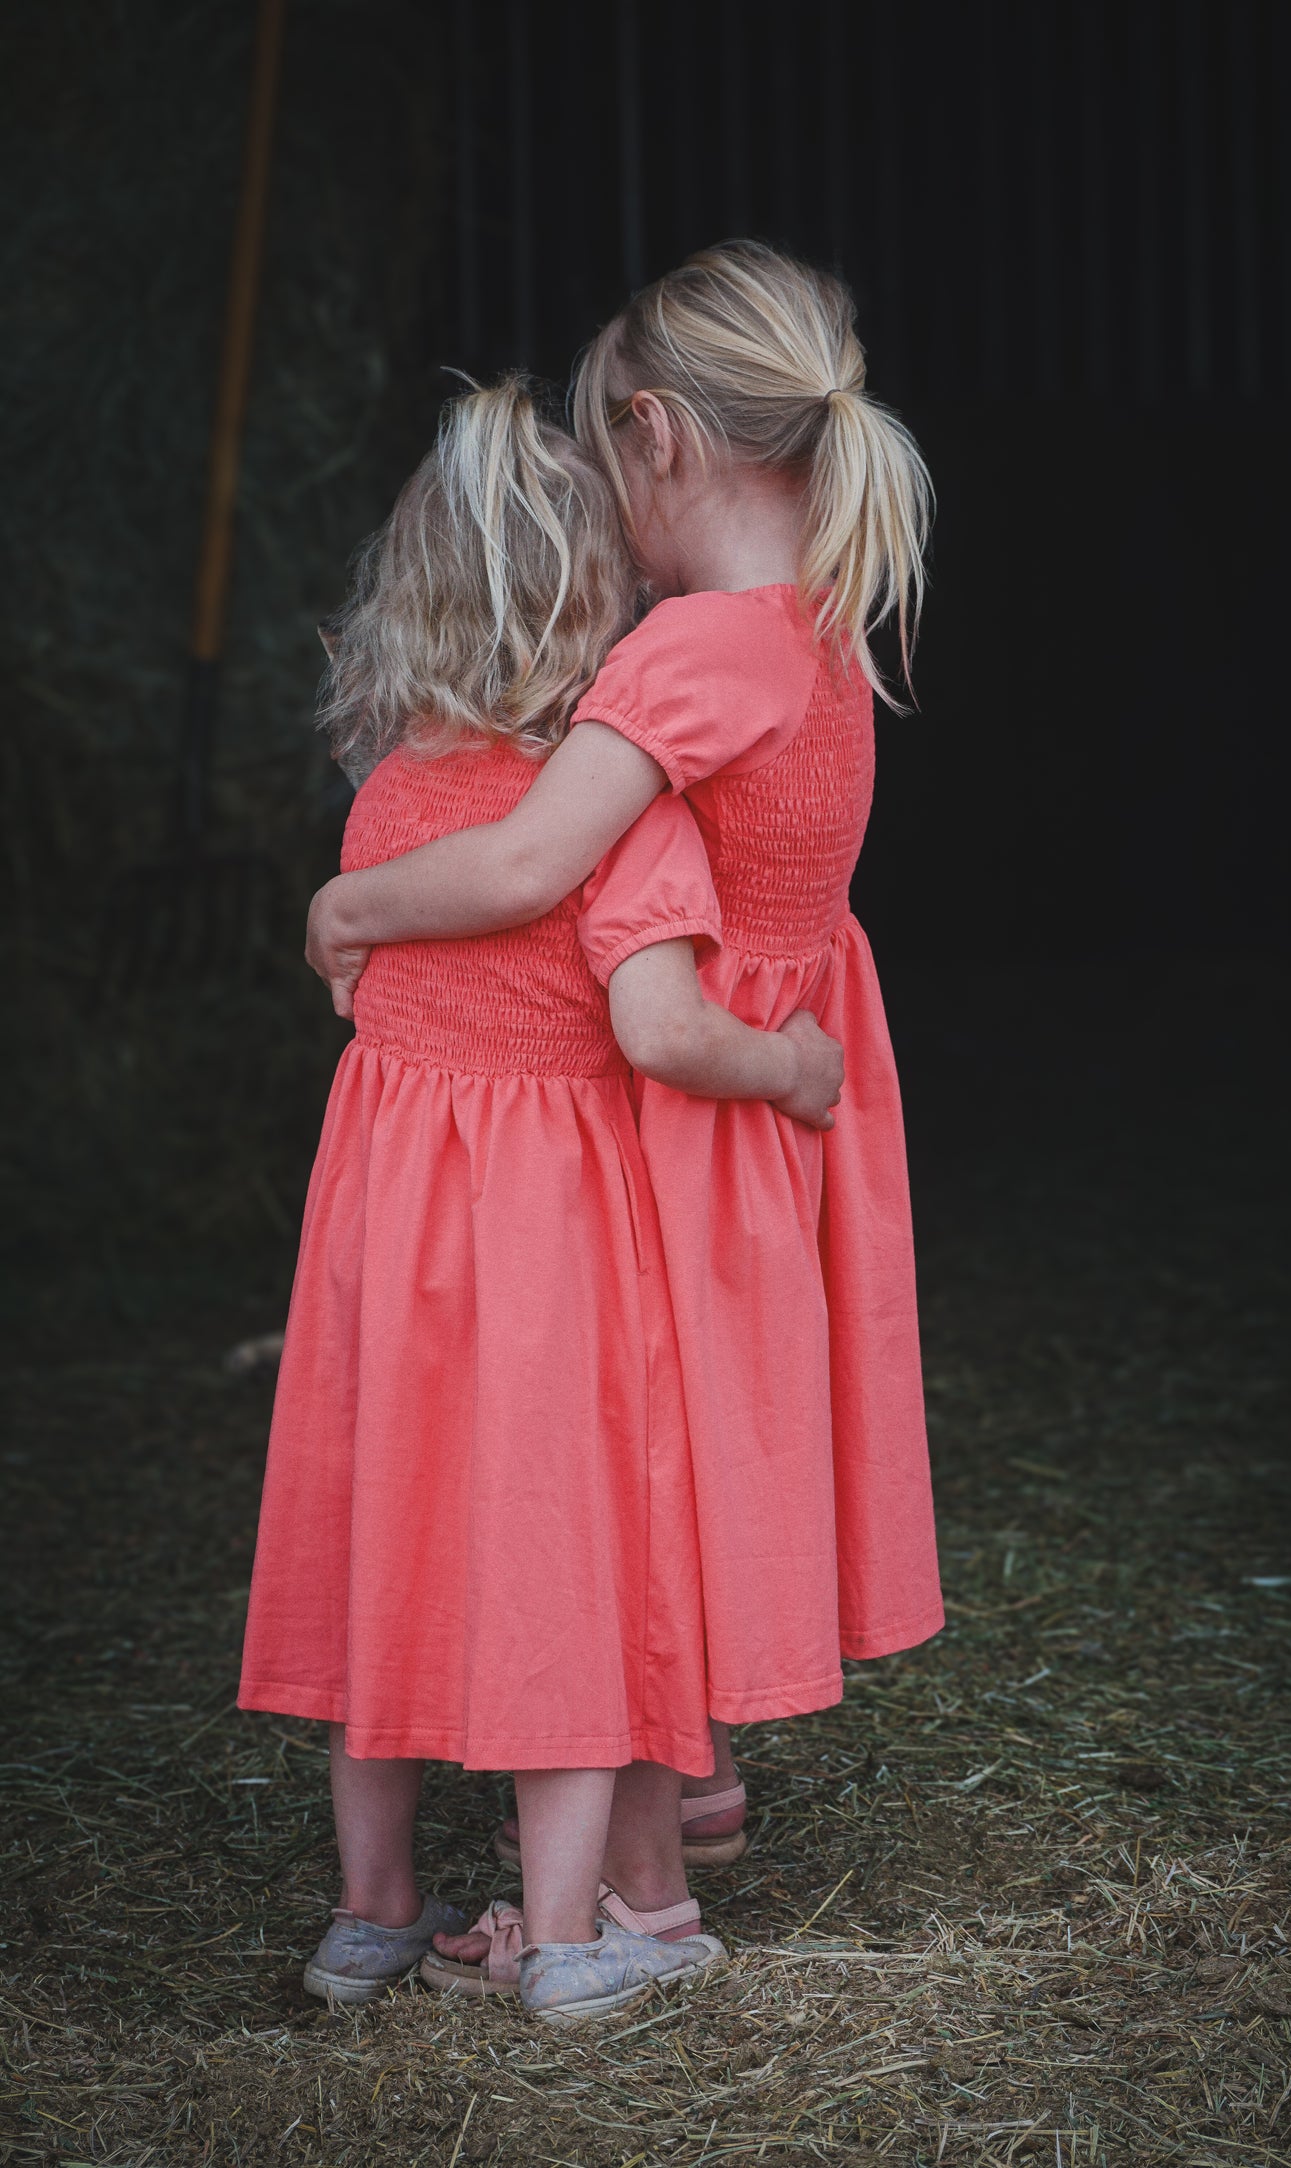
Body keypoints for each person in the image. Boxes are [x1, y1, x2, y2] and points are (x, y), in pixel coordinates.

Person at [304, 240, 945, 1882]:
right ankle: (695, 1778)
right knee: (711, 1437)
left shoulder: (681, 655)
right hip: (777, 1074)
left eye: (605, 455)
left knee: (637, 1461)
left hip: (680, 1090)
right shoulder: (824, 622)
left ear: (655, 435)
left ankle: (640, 1878)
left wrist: (347, 904)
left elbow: (529, 863)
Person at [239, 376, 844, 2022]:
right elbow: (659, 1029)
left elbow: (367, 1008)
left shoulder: (385, 807)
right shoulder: (623, 831)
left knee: (380, 1552)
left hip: (389, 1252)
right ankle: (572, 1938)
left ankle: (368, 1918)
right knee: (566, 1566)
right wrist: (791, 1070)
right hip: (556, 1256)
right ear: (610, 615)